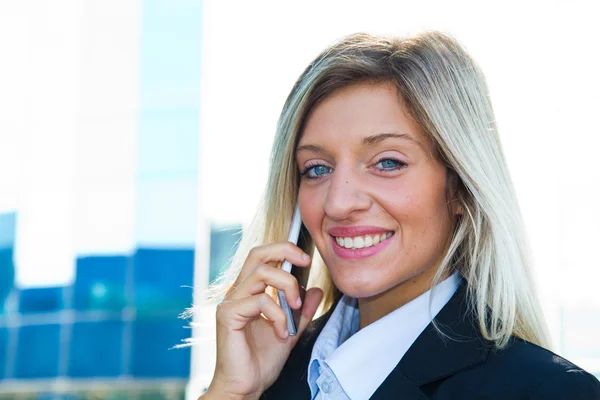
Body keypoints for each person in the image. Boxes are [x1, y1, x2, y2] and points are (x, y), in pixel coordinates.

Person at [197, 31, 600, 399]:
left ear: (460, 186)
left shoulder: (552, 392)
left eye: (387, 162)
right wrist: (232, 392)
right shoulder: (263, 373)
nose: (338, 203)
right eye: (317, 169)